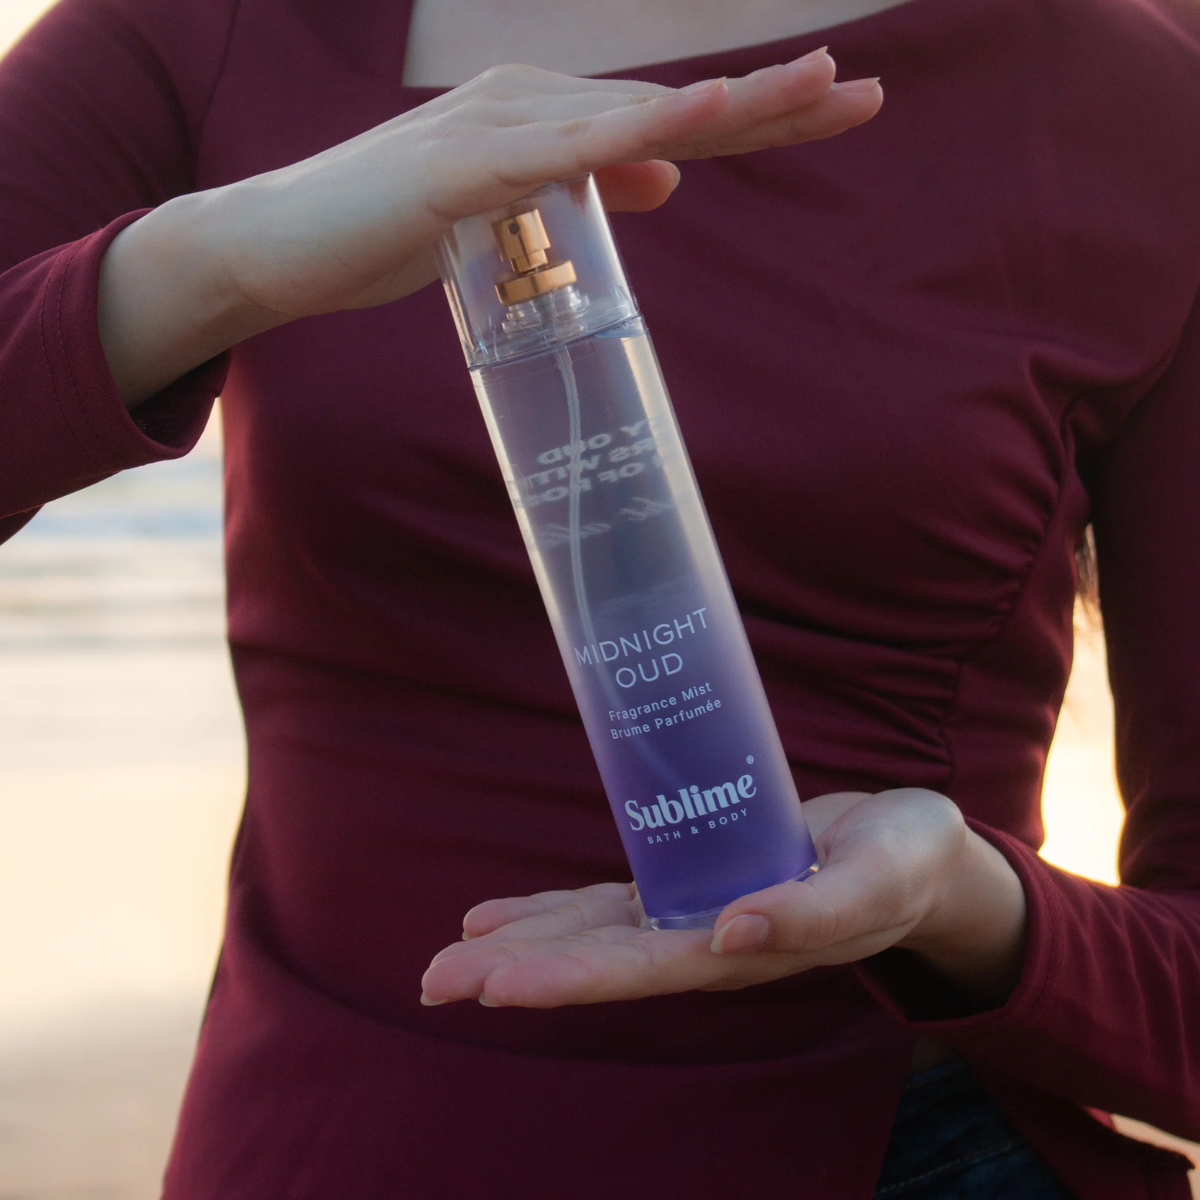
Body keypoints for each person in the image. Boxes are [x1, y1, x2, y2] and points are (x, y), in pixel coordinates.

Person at [0, 0, 1197, 1196]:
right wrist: (212, 263)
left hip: (909, 1149)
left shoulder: (1139, 93)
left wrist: (964, 903)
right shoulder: (222, 29)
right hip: (340, 1143)